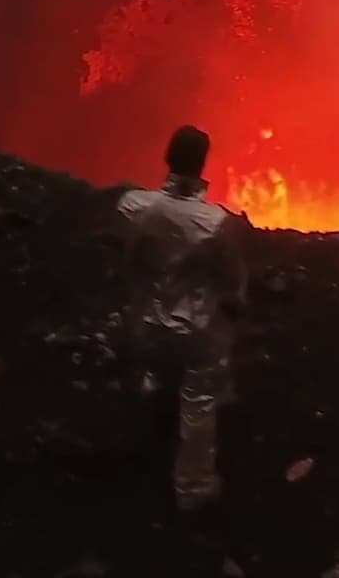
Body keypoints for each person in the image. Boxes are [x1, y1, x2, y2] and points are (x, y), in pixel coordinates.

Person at [116, 125, 248, 512]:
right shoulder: (214, 224)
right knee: (201, 397)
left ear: (167, 157)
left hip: (143, 327)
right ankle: (193, 487)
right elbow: (233, 283)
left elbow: (126, 255)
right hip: (193, 333)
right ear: (202, 163)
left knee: (152, 375)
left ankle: (146, 419)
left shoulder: (132, 207)